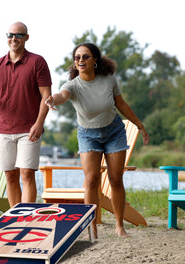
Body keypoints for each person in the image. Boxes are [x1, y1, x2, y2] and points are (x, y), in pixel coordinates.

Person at [45, 43, 149, 238]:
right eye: (77, 58)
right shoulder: (72, 85)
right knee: (91, 179)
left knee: (115, 179)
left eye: (85, 57)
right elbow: (62, 96)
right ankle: (91, 227)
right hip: (88, 135)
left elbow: (121, 104)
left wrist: (139, 125)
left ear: (94, 60)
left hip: (114, 132)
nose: (81, 60)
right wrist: (52, 100)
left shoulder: (108, 80)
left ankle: (119, 226)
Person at [0, 22, 52, 208]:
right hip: (4, 130)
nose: (14, 38)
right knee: (10, 175)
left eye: (19, 35)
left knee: (26, 173)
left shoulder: (37, 62)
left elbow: (46, 96)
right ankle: (15, 219)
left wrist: (39, 123)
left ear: (26, 37)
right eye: (10, 34)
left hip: (29, 129)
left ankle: (26, 218)